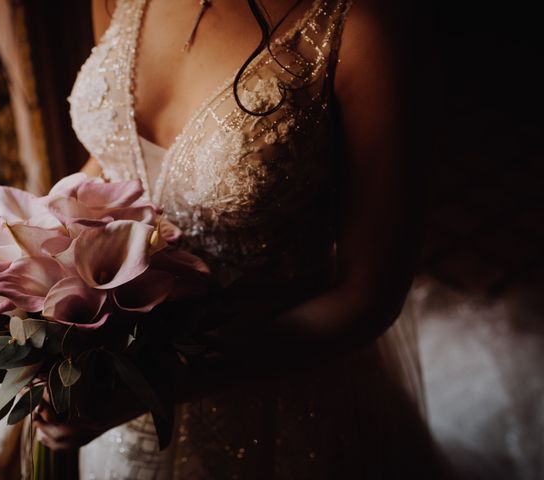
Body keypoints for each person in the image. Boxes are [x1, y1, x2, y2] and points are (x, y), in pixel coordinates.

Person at [31, 0, 454, 477]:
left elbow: (369, 295)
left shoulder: (361, 28)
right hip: (116, 368)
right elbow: (112, 160)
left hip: (274, 385)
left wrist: (155, 384)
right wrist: (40, 265)